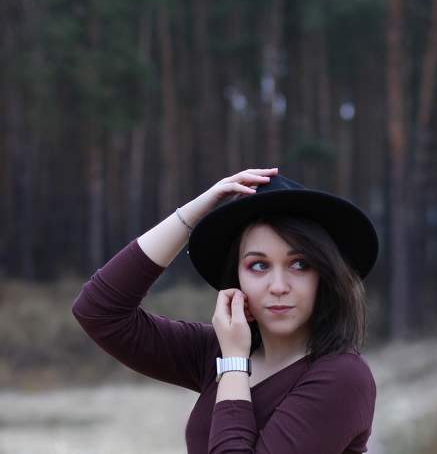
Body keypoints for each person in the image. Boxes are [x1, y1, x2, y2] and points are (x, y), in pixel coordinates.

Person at [72, 167, 379, 453]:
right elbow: (100, 311)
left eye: (299, 264)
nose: (278, 286)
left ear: (324, 276)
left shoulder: (343, 378)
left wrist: (233, 363)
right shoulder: (215, 351)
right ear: (237, 279)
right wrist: (193, 213)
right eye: (258, 265)